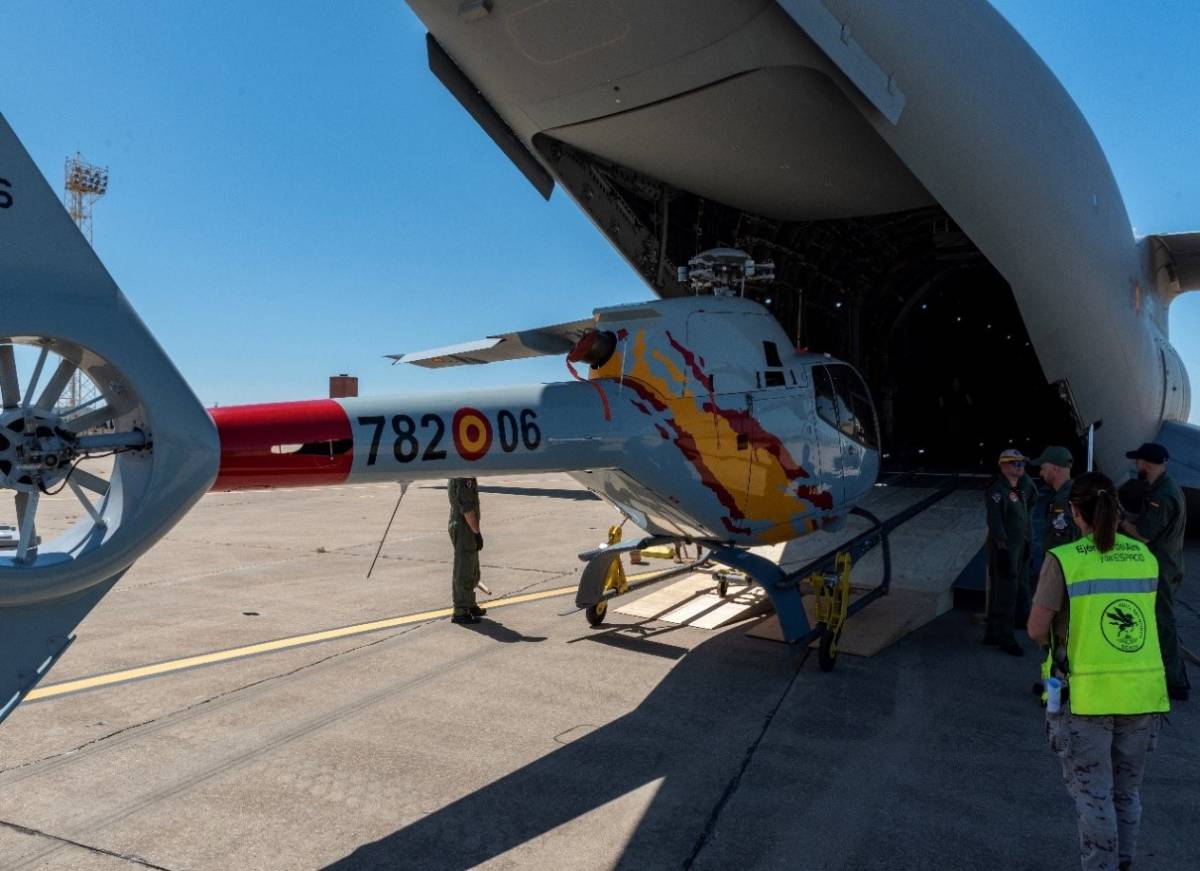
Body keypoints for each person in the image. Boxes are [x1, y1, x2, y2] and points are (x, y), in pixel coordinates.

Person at [1028, 472, 1168, 871]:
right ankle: (1123, 863)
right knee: (1127, 792)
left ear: (1075, 512)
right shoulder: (1145, 557)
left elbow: (1038, 630)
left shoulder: (1065, 560)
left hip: (1087, 698)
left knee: (1094, 796)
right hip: (1141, 694)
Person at [1118, 443, 1190, 701]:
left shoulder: (1163, 495)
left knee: (1163, 622)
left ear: (1146, 463)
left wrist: (1119, 521)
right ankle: (1170, 675)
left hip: (1160, 567)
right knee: (1160, 620)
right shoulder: (1162, 488)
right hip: (1164, 564)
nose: (1136, 465)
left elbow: (1145, 535)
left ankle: (1174, 682)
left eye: (1138, 461)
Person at [1030, 446, 1081, 697]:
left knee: (1058, 633)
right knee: (1053, 632)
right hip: (1061, 574)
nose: (1040, 471)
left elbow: (1064, 545)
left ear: (1055, 468)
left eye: (1043, 466)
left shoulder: (1066, 500)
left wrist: (1053, 583)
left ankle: (1058, 688)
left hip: (1063, 576)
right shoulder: (1062, 496)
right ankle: (1051, 683)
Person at [983, 448, 1030, 655]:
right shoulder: (997, 490)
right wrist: (1002, 549)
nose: (1020, 467)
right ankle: (1006, 638)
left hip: (1018, 548)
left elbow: (1032, 500)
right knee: (1006, 594)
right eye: (1015, 463)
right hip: (1005, 549)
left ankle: (993, 633)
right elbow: (995, 520)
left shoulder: (1019, 488)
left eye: (1022, 463)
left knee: (1007, 591)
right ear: (1002, 465)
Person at [447, 477, 487, 625]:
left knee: (472, 567)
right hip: (465, 528)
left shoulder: (461, 473)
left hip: (465, 526)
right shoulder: (465, 477)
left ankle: (470, 604)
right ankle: (460, 611)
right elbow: (468, 508)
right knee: (464, 569)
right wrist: (476, 533)